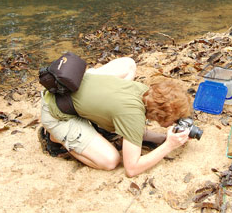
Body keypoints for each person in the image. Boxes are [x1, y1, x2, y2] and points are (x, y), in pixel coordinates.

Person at [39, 57, 193, 177]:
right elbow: (132, 169)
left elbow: (134, 131)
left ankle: (94, 124)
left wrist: (163, 138)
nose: (176, 122)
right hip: (55, 113)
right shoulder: (132, 115)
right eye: (175, 119)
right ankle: (54, 138)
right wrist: (169, 146)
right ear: (162, 116)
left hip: (70, 93)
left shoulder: (144, 91)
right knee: (110, 161)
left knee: (128, 65)